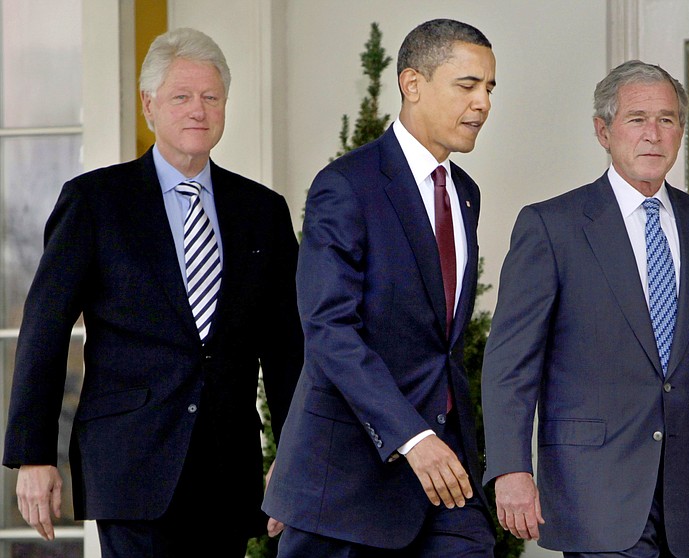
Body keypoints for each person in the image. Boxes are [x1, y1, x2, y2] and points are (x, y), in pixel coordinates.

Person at [3, 28, 303, 557]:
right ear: (149, 105)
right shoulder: (95, 202)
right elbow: (44, 330)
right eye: (181, 96)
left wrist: (296, 452)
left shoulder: (262, 212)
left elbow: (287, 348)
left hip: (227, 470)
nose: (198, 110)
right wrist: (33, 456)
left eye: (211, 97)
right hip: (129, 466)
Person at [481, 59, 689, 557]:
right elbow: (509, 365)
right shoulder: (552, 227)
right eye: (637, 118)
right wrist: (511, 468)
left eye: (666, 120)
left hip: (684, 492)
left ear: (681, 131)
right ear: (603, 131)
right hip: (593, 492)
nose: (653, 134)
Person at [263, 18, 497, 557]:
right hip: (344, 489)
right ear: (411, 84)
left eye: (489, 88)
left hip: (447, 484)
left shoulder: (465, 194)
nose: (483, 103)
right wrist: (413, 438)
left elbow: (442, 343)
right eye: (467, 85)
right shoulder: (345, 186)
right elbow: (329, 330)